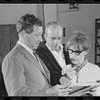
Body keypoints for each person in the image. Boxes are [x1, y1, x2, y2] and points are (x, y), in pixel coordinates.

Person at [1, 14, 71, 96]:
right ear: (24, 35)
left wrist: (58, 90)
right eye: (37, 35)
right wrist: (49, 93)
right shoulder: (12, 59)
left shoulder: (33, 53)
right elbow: (18, 94)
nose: (41, 39)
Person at [62, 31, 100, 96]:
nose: (72, 55)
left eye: (77, 52)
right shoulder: (65, 69)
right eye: (70, 51)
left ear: (86, 51)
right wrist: (66, 78)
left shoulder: (94, 69)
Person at [37, 21, 71, 86]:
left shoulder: (67, 49)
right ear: (45, 36)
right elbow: (48, 73)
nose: (56, 42)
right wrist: (61, 78)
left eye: (59, 38)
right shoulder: (39, 52)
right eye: (53, 38)